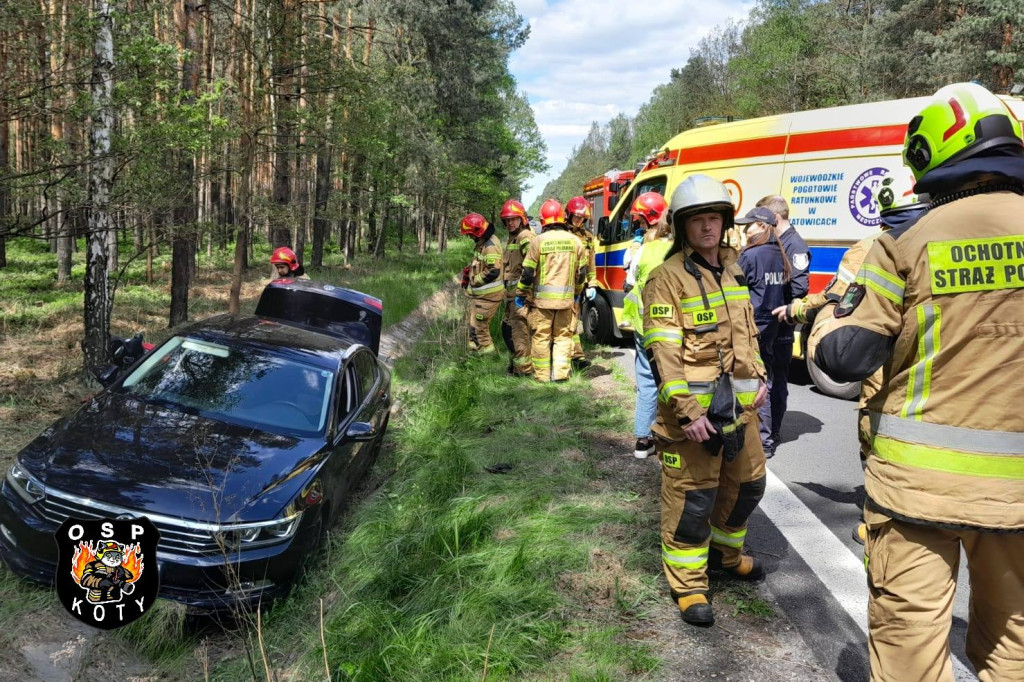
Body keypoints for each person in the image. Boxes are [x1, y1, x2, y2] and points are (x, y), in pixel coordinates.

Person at [814, 82, 1024, 681]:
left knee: (910, 643)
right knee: (1014, 645)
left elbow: (847, 357)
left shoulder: (906, 241)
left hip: (917, 490)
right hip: (1018, 499)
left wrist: (829, 313)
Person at [642, 174, 769, 627]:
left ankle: (726, 557)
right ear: (683, 227)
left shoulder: (733, 269)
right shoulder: (666, 279)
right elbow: (665, 354)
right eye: (698, 221)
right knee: (693, 502)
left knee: (748, 485)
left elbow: (745, 336)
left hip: (741, 411)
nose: (708, 228)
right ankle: (690, 586)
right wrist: (688, 412)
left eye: (714, 218)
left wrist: (762, 376)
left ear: (725, 222)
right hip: (691, 421)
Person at [784, 169, 928, 542]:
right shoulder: (951, 238)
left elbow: (837, 299)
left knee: (880, 440)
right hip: (939, 369)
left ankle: (879, 521)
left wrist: (800, 311)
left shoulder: (872, 247)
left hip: (887, 367)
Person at [754, 195, 809, 446]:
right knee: (768, 376)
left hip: (781, 322)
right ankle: (767, 429)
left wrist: (778, 301)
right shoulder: (777, 241)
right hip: (770, 321)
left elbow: (800, 287)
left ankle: (772, 431)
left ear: (774, 218)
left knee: (776, 377)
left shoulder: (794, 245)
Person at [736, 207, 790, 458]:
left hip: (753, 323)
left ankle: (763, 440)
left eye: (751, 225)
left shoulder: (751, 255)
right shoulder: (779, 253)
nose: (746, 230)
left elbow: (733, 290)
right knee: (765, 377)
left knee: (756, 380)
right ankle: (764, 437)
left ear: (763, 227)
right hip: (772, 322)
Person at [620, 191, 670, 458]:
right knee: (676, 379)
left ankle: (643, 439)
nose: (637, 226)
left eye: (639, 221)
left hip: (643, 326)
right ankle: (672, 434)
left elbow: (629, 282)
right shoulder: (678, 249)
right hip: (671, 328)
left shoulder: (641, 251)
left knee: (647, 380)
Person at [516, 199, 586, 382]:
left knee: (541, 337)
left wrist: (521, 294)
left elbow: (528, 272)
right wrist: (577, 293)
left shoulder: (537, 241)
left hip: (542, 303)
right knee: (563, 337)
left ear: (543, 220)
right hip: (566, 301)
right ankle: (561, 375)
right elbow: (582, 273)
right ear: (563, 218)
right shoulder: (576, 241)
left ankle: (542, 376)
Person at [498, 199, 536, 376]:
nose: (510, 222)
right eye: (507, 220)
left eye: (514, 219)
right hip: (511, 297)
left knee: (518, 333)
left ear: (522, 219)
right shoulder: (513, 237)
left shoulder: (525, 237)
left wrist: (524, 293)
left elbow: (533, 264)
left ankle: (523, 371)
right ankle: (515, 365)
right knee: (508, 330)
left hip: (521, 297)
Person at [460, 212, 505, 354]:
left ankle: (487, 357)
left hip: (488, 297)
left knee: (480, 329)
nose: (469, 237)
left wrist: (474, 280)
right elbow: (482, 263)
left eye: (470, 234)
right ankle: (474, 353)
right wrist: (470, 271)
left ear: (477, 232)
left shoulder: (490, 246)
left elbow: (493, 271)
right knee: (473, 327)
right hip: (482, 296)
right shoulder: (483, 242)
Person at [565, 196, 598, 372]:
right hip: (562, 284)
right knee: (567, 322)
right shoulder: (562, 234)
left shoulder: (588, 237)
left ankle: (576, 356)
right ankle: (574, 356)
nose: (578, 221)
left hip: (580, 285)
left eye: (582, 218)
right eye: (576, 217)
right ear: (569, 215)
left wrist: (592, 284)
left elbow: (591, 262)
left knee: (573, 321)